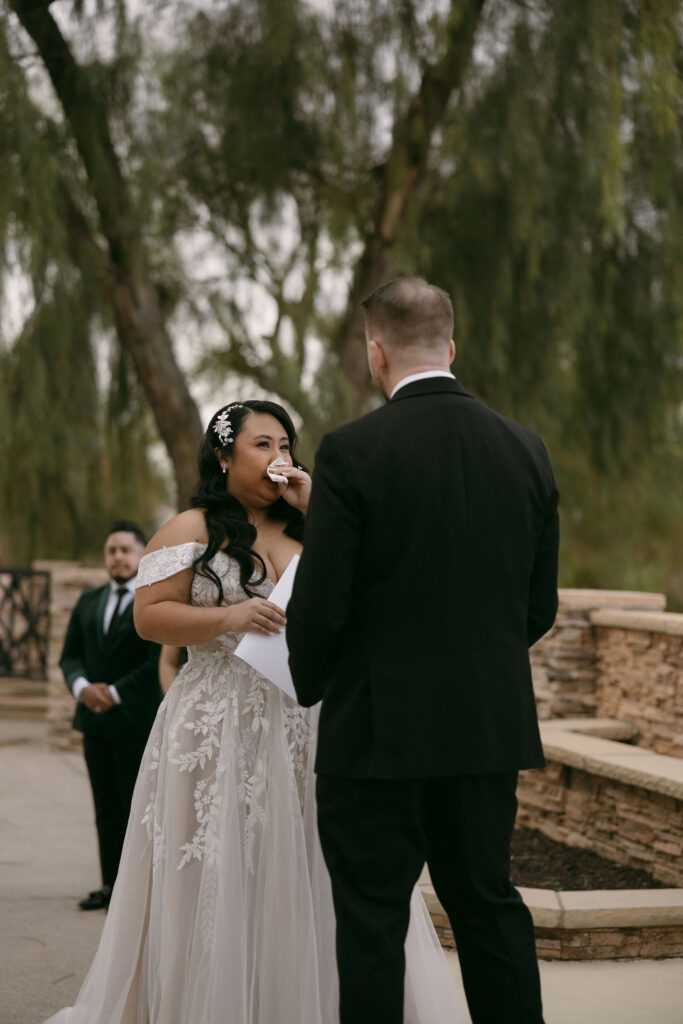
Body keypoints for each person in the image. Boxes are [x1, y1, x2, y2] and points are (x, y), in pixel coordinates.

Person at [43, 399, 466, 1024]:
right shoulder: (190, 527)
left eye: (287, 446)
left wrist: (317, 509)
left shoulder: (310, 524)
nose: (279, 458)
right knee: (214, 864)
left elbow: (375, 586)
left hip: (304, 719)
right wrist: (229, 615)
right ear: (223, 455)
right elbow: (148, 617)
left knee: (306, 862)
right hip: (215, 720)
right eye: (262, 445)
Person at [287, 277, 560, 1024]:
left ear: (376, 353)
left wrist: (311, 685)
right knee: (487, 903)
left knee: (372, 918)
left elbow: (322, 602)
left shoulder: (350, 451)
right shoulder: (524, 449)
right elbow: (538, 605)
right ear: (450, 345)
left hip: (376, 732)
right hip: (485, 728)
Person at [60, 520, 162, 911]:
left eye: (125, 550)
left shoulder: (151, 600)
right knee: (104, 807)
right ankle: (109, 885)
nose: (118, 557)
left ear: (140, 554)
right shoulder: (89, 600)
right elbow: (69, 655)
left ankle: (137, 893)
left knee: (136, 807)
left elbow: (158, 660)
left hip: (134, 722)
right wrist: (82, 687)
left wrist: (115, 692)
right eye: (112, 551)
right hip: (94, 722)